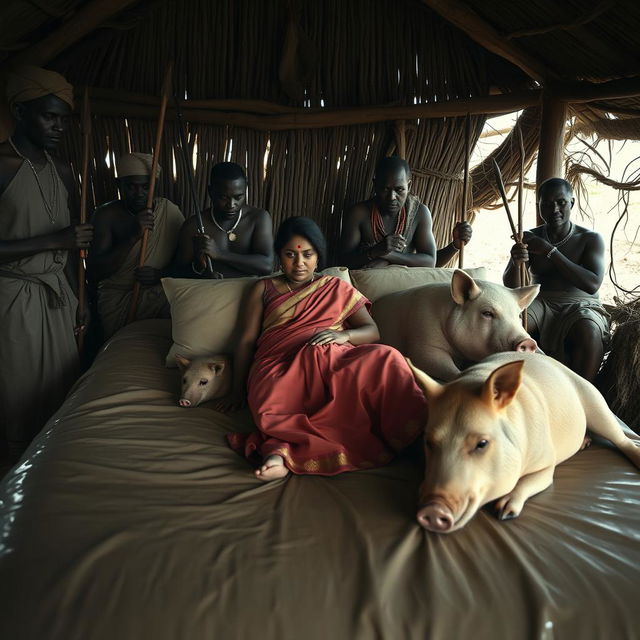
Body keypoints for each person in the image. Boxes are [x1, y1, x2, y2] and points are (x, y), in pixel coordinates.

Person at [221, 216, 426, 481]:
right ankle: (281, 452)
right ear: (279, 256)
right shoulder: (263, 288)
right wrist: (237, 389)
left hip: (333, 358)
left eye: (308, 254)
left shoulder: (336, 287)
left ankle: (418, 437)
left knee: (387, 357)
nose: (299, 263)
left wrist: (344, 336)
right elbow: (246, 340)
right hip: (279, 366)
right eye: (290, 255)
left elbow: (372, 332)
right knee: (276, 395)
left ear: (319, 255)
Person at [0, 65, 93, 459]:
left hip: (58, 299)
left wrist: (79, 296)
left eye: (64, 119)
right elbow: (62, 238)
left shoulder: (63, 170)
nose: (58, 127)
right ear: (20, 112)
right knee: (15, 397)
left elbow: (71, 248)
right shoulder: (3, 164)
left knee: (58, 393)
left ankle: (44, 474)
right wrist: (54, 239)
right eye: (48, 116)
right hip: (12, 297)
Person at [503, 177, 609, 382]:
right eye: (547, 204)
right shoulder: (530, 238)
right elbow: (511, 286)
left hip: (581, 303)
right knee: (512, 325)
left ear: (572, 203)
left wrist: (550, 251)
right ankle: (518, 385)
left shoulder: (590, 239)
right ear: (539, 206)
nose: (554, 209)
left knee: (589, 330)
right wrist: (517, 261)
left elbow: (592, 283)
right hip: (541, 301)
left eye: (561, 202)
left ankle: (584, 393)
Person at [87, 152, 184, 340]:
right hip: (117, 299)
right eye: (131, 187)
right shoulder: (107, 216)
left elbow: (186, 264)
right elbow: (95, 272)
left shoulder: (168, 212)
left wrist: (161, 275)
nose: (139, 194)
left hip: (157, 293)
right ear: (119, 185)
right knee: (120, 343)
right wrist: (132, 237)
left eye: (146, 187)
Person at [339, 156, 472, 269]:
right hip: (365, 288)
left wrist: (386, 255)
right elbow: (344, 262)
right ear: (375, 185)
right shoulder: (359, 214)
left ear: (409, 186)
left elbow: (430, 262)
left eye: (399, 190)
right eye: (385, 189)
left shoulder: (419, 213)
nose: (392, 197)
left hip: (404, 289)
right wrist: (374, 251)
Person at [171, 161, 273, 278]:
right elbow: (177, 272)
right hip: (211, 292)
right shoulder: (193, 225)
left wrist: (220, 254)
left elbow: (267, 266)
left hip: (250, 291)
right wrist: (201, 272)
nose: (231, 204)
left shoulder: (258, 218)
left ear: (246, 189)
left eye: (238, 197)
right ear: (210, 192)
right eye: (223, 197)